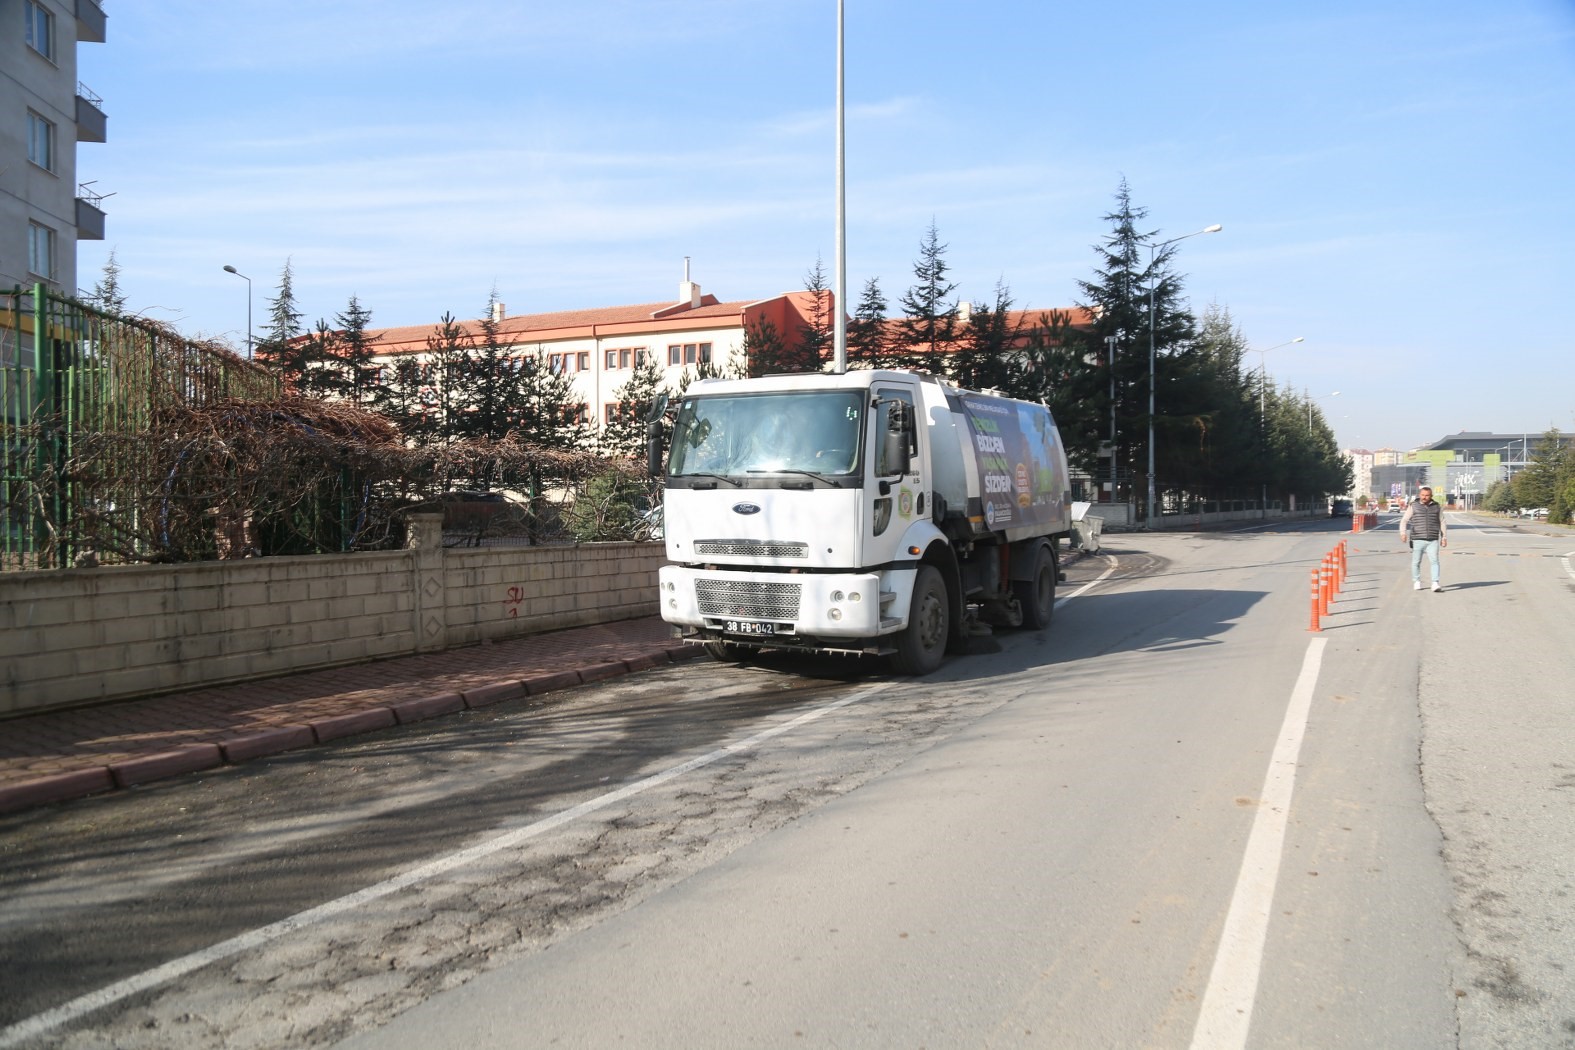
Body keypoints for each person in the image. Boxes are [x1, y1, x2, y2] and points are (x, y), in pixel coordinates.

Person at [1400, 486, 1448, 592]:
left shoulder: (1437, 506)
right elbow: (1404, 520)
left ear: (1431, 496)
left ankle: (1435, 583)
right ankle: (1416, 581)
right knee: (1416, 562)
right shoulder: (1414, 506)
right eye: (1422, 495)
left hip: (1432, 539)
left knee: (1435, 561)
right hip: (1417, 538)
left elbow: (1442, 522)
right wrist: (1403, 533)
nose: (1424, 497)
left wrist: (1444, 537)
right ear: (1419, 495)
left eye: (1427, 495)